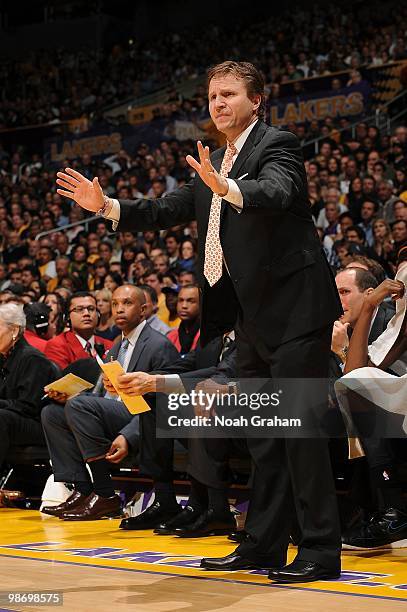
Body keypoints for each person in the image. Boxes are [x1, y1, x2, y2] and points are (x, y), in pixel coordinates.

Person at [56, 60, 343, 583]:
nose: (218, 103)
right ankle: (262, 545)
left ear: (257, 100)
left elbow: (278, 193)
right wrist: (108, 206)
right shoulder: (212, 161)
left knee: (298, 435)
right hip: (250, 319)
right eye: (212, 95)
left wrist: (229, 186)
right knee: (264, 439)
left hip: (296, 313)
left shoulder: (277, 144)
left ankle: (321, 551)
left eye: (229, 94)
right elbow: (167, 209)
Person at [41, 285, 179, 521]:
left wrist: (128, 435)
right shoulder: (115, 347)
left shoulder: (159, 345)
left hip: (144, 421)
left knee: (79, 406)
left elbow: (165, 403)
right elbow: (101, 396)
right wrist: (70, 398)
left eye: (127, 303)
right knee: (52, 412)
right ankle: (83, 489)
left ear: (143, 309)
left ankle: (104, 493)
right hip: (113, 414)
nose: (119, 309)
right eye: (115, 304)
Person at [0, 304, 56, 503]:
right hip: (15, 419)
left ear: (14, 330)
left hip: (39, 424)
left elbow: (28, 406)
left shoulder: (32, 358)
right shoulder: (4, 357)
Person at [45, 292, 113, 370]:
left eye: (91, 309)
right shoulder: (56, 346)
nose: (86, 313)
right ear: (67, 317)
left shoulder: (109, 345)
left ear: (98, 314)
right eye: (79, 309)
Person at [166, 285, 200, 355]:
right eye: (180, 300)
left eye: (191, 301)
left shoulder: (207, 337)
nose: (184, 306)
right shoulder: (171, 336)